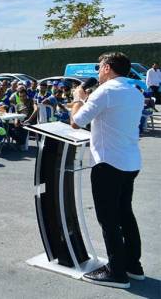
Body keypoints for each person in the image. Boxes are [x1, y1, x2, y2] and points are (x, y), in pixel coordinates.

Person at [70, 52, 144, 288]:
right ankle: (133, 265)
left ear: (108, 68)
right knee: (125, 215)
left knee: (109, 219)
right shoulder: (134, 91)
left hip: (108, 164)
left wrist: (78, 98)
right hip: (130, 161)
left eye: (99, 68)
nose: (97, 73)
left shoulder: (105, 91)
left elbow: (76, 121)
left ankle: (116, 272)